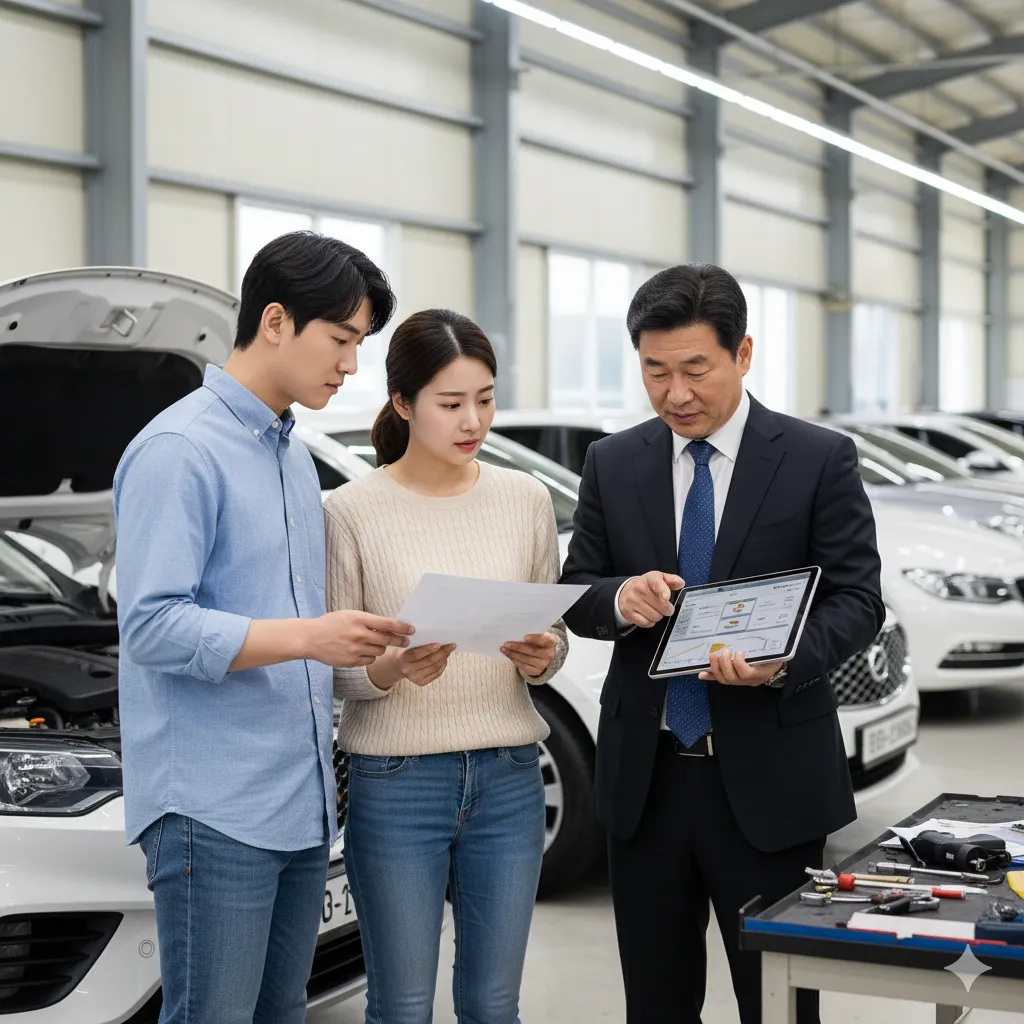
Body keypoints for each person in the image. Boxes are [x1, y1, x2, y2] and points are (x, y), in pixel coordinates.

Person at [560, 263, 884, 1024]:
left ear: (742, 353)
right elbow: (581, 591)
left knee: (775, 1005)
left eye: (696, 369)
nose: (676, 394)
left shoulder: (815, 458)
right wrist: (619, 599)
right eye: (655, 371)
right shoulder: (614, 461)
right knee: (657, 1004)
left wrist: (784, 664)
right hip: (646, 782)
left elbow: (858, 600)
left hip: (770, 785)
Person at [113, 231, 415, 1024]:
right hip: (211, 808)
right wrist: (311, 636)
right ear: (276, 321)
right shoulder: (180, 449)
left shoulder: (287, 452)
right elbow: (152, 625)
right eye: (341, 340)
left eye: (359, 345)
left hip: (299, 799)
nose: (351, 365)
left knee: (282, 1012)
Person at [324, 308, 568, 1024]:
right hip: (397, 784)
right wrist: (392, 669)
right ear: (403, 403)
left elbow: (549, 633)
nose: (473, 421)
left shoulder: (525, 499)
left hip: (509, 778)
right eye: (452, 403)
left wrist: (545, 655)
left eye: (485, 400)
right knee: (400, 1007)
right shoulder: (351, 511)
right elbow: (335, 669)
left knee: (494, 1005)